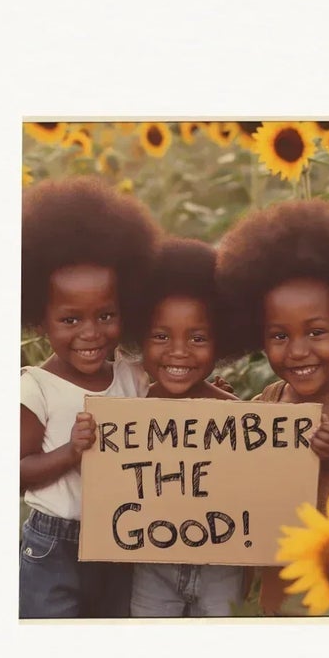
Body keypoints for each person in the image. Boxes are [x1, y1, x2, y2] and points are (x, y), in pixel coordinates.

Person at [19, 177, 160, 618]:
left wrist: (211, 399)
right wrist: (71, 451)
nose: (90, 333)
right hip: (52, 547)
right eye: (69, 319)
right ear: (41, 322)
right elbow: (17, 472)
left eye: (105, 315)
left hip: (122, 539)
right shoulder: (35, 387)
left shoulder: (132, 378)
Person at [216, 199, 329, 614]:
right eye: (279, 336)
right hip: (277, 580)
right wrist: (220, 403)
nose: (298, 351)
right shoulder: (269, 401)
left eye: (316, 332)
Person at [125, 238, 245, 617]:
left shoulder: (236, 414)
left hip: (222, 564)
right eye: (161, 337)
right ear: (138, 338)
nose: (178, 351)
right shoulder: (129, 411)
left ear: (221, 341)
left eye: (197, 338)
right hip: (151, 563)